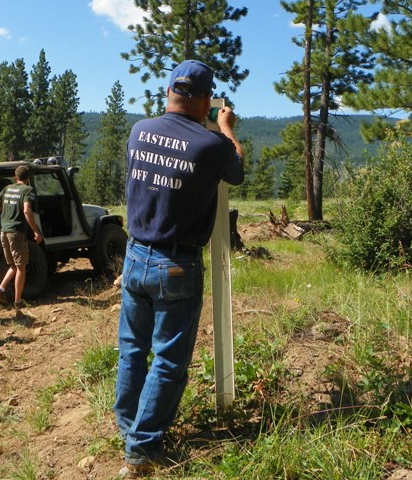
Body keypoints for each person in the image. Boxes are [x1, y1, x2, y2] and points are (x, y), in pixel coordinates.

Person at [114, 59, 245, 478]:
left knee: (133, 348)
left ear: (169, 92)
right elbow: (237, 170)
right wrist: (226, 128)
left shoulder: (139, 130)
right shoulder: (212, 145)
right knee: (169, 359)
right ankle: (143, 448)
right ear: (208, 100)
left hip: (134, 254)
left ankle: (127, 425)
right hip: (176, 264)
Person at [0, 165, 44, 311]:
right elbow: (27, 210)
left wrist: (5, 210)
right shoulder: (27, 190)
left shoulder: (7, 188)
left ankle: (0, 289)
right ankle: (18, 301)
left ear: (15, 176)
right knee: (22, 267)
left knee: (14, 265)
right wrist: (36, 231)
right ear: (28, 178)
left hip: (4, 231)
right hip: (17, 232)